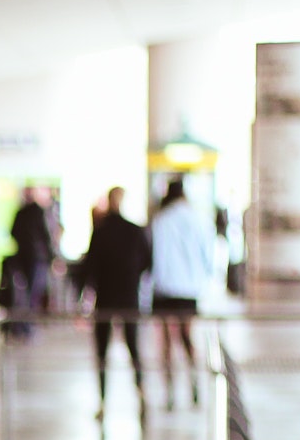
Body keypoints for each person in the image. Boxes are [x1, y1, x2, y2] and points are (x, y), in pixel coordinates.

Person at [83, 187, 152, 420]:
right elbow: (146, 262)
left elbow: (90, 266)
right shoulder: (135, 231)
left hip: (105, 299)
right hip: (129, 298)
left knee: (102, 351)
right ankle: (141, 393)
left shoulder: (101, 231)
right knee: (134, 347)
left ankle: (103, 401)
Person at [149, 178, 214, 409]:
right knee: (188, 338)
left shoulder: (161, 220)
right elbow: (208, 256)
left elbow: (154, 257)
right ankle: (194, 383)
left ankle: (169, 391)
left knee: (166, 343)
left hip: (164, 288)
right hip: (188, 289)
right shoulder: (198, 219)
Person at [9, 185, 54, 312]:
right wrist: (51, 257)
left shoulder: (21, 212)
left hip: (25, 256)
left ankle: (25, 322)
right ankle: (28, 321)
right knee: (34, 292)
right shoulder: (38, 212)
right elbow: (46, 236)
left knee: (25, 291)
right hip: (37, 258)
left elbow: (13, 232)